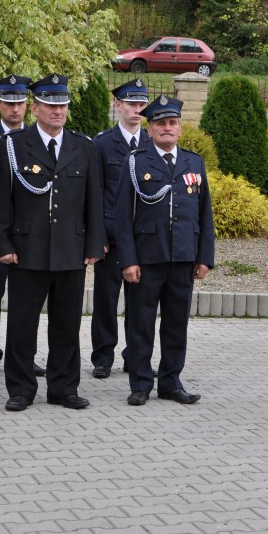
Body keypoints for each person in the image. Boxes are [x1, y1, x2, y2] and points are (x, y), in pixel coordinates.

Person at [0, 74, 104, 411]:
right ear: (35, 108)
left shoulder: (83, 146)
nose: (58, 111)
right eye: (50, 105)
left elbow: (92, 201)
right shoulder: (12, 145)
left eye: (63, 105)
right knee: (22, 324)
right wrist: (2, 242)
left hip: (71, 249)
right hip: (27, 249)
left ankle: (63, 388)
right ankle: (21, 389)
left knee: (67, 324)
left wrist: (94, 245)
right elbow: (1, 199)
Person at [114, 95, 214, 406]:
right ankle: (141, 383)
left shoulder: (193, 162)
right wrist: (127, 259)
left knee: (175, 324)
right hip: (148, 258)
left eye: (172, 123)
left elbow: (204, 213)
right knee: (141, 323)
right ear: (151, 129)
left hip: (183, 256)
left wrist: (204, 257)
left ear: (180, 129)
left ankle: (171, 381)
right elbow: (122, 216)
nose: (167, 128)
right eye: (160, 124)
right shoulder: (136, 161)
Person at [0, 74, 45, 380]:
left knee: (25, 302)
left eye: (19, 103)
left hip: (28, 234)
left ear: (27, 106)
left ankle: (23, 356)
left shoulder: (37, 139)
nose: (14, 109)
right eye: (8, 102)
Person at [89, 78, 151, 379]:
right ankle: (103, 357)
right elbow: (96, 194)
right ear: (118, 105)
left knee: (140, 302)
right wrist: (97, 235)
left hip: (142, 239)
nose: (137, 110)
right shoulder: (101, 144)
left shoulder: (152, 143)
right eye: (131, 104)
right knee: (106, 299)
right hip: (111, 238)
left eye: (141, 104)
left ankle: (135, 356)